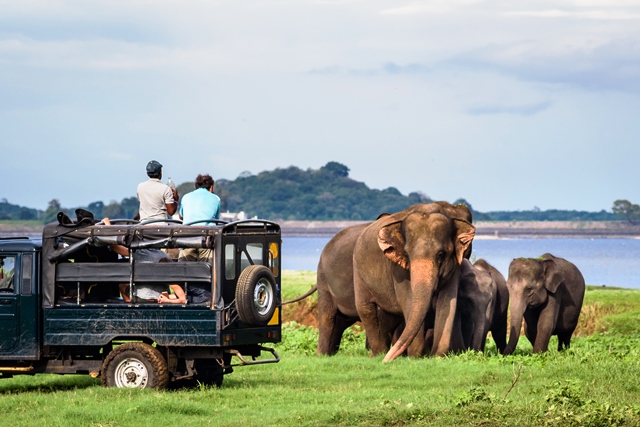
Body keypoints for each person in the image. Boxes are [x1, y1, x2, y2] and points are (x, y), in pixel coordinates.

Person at [178, 174, 221, 261]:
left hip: (187, 238)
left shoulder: (186, 197)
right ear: (211, 187)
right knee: (208, 270)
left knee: (185, 269)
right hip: (206, 239)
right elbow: (216, 220)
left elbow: (181, 216)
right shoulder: (216, 198)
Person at [119, 258, 186, 304]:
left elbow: (183, 299)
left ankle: (129, 304)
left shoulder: (171, 280)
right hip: (151, 298)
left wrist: (167, 300)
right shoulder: (168, 278)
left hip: (148, 300)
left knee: (122, 286)